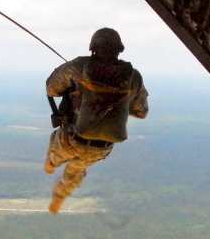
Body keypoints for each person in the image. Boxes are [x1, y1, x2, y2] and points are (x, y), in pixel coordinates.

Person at [44, 28, 149, 214]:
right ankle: (60, 195)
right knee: (77, 169)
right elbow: (141, 112)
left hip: (71, 138)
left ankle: (52, 164)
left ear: (93, 47)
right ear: (119, 49)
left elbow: (51, 89)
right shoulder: (134, 77)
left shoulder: (78, 66)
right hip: (101, 148)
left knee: (56, 146)